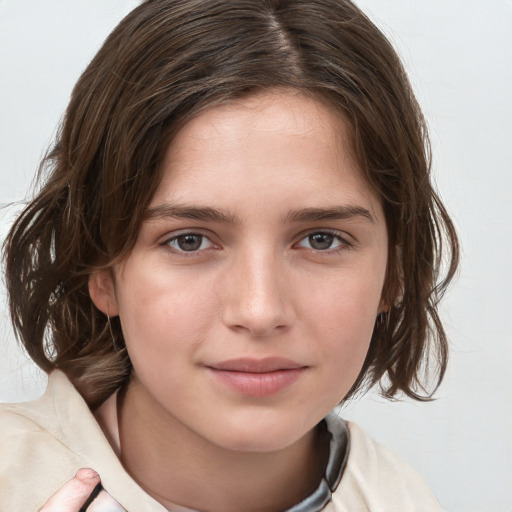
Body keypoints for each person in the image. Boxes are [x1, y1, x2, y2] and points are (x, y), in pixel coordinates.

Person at [0, 0, 459, 510]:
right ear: (102, 268)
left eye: (321, 239)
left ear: (394, 270)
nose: (259, 311)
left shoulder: (402, 498)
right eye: (189, 240)